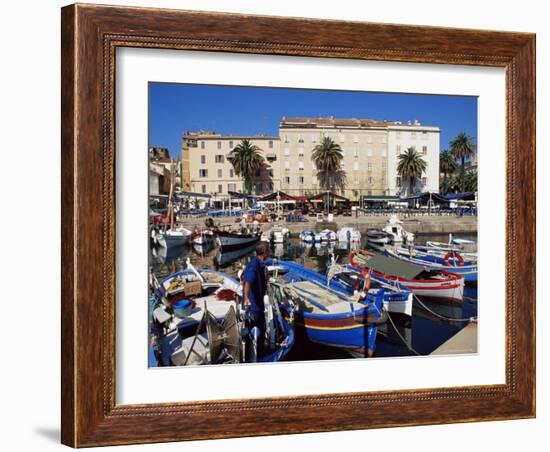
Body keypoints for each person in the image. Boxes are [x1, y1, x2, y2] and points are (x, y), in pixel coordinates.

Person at [241, 241, 270, 358]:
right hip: (254, 305)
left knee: (254, 327)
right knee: (259, 327)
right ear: (265, 252)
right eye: (269, 250)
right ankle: (259, 353)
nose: (270, 252)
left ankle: (254, 350)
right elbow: (248, 281)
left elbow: (243, 276)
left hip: (257, 301)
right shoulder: (254, 265)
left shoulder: (256, 261)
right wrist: (247, 298)